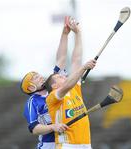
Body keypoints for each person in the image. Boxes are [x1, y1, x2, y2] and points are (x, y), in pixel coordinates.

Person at [21, 16, 76, 149]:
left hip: (67, 140)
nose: (39, 76)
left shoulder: (55, 87)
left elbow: (61, 59)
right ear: (30, 87)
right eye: (34, 77)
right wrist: (53, 127)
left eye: (38, 74)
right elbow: (34, 128)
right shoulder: (33, 102)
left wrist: (65, 34)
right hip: (49, 145)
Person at [45, 19, 97, 149]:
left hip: (85, 143)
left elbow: (76, 60)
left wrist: (78, 33)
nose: (63, 75)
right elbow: (68, 84)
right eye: (59, 77)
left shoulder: (74, 88)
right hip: (67, 145)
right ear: (54, 86)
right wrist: (84, 67)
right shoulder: (52, 97)